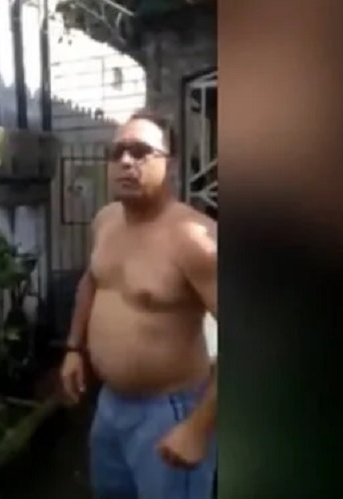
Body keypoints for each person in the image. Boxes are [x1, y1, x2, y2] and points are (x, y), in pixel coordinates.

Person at [59, 110, 217, 499]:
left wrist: (198, 428)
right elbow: (92, 281)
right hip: (110, 406)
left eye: (141, 151)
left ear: (171, 163)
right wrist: (74, 348)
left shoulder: (194, 240)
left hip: (170, 412)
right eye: (117, 152)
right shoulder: (106, 221)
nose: (126, 162)